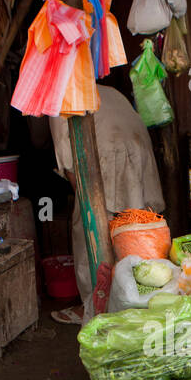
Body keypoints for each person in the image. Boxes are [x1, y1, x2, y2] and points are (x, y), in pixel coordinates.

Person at [48, 82, 165, 324]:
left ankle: (93, 306)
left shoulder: (57, 97)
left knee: (90, 233)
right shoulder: (111, 90)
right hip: (137, 152)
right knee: (136, 229)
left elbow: (67, 160)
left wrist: (86, 205)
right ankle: (141, 299)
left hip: (110, 157)